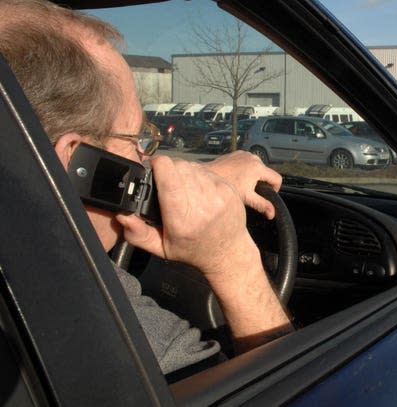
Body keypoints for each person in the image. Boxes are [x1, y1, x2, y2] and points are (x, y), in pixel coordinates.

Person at [0, 0, 292, 373]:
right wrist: (233, 259)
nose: (145, 159)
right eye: (138, 139)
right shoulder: (113, 330)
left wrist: (209, 179)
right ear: (75, 161)